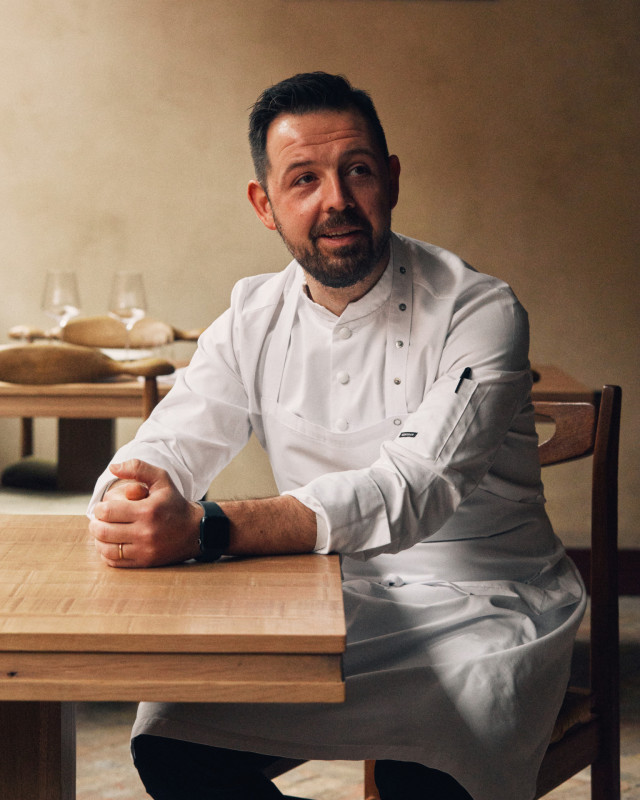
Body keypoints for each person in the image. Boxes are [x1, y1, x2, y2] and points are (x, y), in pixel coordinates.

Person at [88, 72, 586, 800]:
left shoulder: (478, 309)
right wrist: (134, 493)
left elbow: (415, 489)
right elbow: (173, 438)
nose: (336, 201)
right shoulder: (252, 315)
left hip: (486, 604)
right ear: (265, 204)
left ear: (389, 179)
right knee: (170, 735)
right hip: (322, 596)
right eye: (303, 179)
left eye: (356, 171)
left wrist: (206, 530)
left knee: (435, 764)